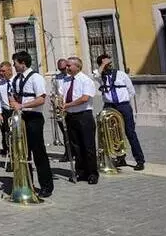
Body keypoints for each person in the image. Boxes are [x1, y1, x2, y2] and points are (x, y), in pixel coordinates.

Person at [9, 51, 54, 198]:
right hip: (21, 117)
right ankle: (27, 183)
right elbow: (12, 95)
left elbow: (41, 99)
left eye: (15, 63)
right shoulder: (16, 79)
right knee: (22, 152)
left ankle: (46, 185)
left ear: (23, 63)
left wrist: (22, 106)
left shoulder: (36, 78)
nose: (14, 66)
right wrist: (13, 102)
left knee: (38, 152)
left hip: (34, 117)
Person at [95, 54, 145, 171]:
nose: (108, 65)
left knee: (130, 132)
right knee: (112, 134)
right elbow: (96, 75)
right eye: (105, 64)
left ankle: (140, 160)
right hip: (109, 106)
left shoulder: (121, 74)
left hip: (123, 105)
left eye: (109, 63)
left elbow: (131, 90)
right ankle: (120, 157)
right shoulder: (100, 76)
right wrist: (102, 65)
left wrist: (125, 103)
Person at [61, 56, 99, 184]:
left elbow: (84, 98)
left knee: (88, 146)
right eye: (66, 66)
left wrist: (67, 105)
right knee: (76, 146)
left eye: (69, 66)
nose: (66, 68)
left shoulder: (85, 80)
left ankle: (92, 173)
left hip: (84, 115)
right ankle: (81, 171)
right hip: (71, 116)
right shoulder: (66, 81)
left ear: (77, 66)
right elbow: (62, 96)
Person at [0, 62, 13, 158]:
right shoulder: (1, 84)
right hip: (5, 111)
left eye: (3, 71)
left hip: (15, 110)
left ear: (10, 70)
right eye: (0, 71)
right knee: (5, 131)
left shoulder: (16, 81)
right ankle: (7, 149)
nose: (1, 73)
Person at [53, 58, 71, 161]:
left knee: (72, 131)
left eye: (64, 68)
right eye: (60, 69)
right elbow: (54, 91)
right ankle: (67, 152)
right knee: (64, 131)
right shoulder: (57, 78)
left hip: (70, 106)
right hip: (60, 107)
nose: (63, 71)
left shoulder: (71, 77)